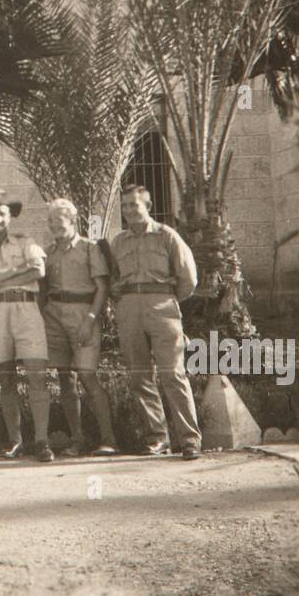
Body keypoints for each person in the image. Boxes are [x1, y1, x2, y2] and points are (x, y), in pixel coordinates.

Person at [110, 182, 202, 460]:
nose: (129, 211)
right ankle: (157, 439)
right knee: (140, 376)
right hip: (129, 309)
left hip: (162, 307)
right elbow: (113, 280)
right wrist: (125, 304)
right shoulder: (118, 242)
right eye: (125, 206)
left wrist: (166, 301)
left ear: (148, 206)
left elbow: (189, 279)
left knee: (173, 374)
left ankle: (189, 440)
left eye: (134, 205)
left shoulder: (167, 236)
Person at [0, 189, 54, 463]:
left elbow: (38, 270)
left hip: (26, 309)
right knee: (5, 378)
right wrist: (16, 273)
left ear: (10, 218)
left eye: (2, 214)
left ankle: (42, 440)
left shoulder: (26, 242)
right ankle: (15, 440)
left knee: (36, 376)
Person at [42, 198, 118, 456]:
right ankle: (78, 439)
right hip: (54, 316)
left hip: (83, 314)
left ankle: (109, 439)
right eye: (51, 221)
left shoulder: (89, 248)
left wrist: (90, 319)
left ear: (72, 222)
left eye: (59, 220)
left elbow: (102, 287)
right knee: (65, 377)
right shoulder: (48, 253)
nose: (55, 225)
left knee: (86, 374)